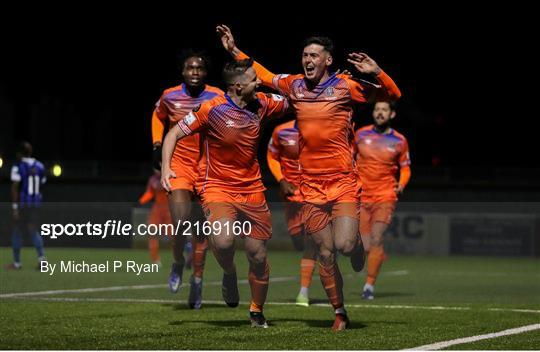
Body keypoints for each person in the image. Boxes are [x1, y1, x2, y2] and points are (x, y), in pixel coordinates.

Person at [217, 24, 401, 330]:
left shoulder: (345, 86)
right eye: (304, 55)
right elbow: (262, 74)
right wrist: (235, 50)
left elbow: (393, 94)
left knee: (343, 245)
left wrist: (377, 71)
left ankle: (356, 247)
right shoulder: (295, 85)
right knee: (325, 253)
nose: (308, 59)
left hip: (342, 181)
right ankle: (339, 312)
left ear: (328, 60)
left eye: (314, 54)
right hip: (310, 186)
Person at [161, 59, 289, 328]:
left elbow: (297, 98)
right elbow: (172, 134)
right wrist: (165, 169)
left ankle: (256, 311)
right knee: (223, 242)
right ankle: (229, 273)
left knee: (258, 255)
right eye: (255, 79)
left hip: (252, 188)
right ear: (239, 86)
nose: (260, 82)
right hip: (216, 187)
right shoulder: (211, 109)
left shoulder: (264, 104)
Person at [151, 50, 223, 309]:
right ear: (183, 72)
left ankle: (198, 281)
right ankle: (178, 262)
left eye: (200, 68)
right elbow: (157, 117)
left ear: (206, 72)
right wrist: (157, 145)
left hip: (207, 170)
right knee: (180, 222)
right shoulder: (170, 96)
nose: (195, 72)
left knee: (202, 233)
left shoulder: (217, 96)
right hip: (179, 166)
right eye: (190, 68)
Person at [354, 101, 411, 300]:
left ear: (392, 114)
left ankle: (369, 286)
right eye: (377, 109)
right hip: (361, 196)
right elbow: (348, 159)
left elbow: (405, 167)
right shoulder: (360, 134)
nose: (379, 112)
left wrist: (401, 184)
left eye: (384, 110)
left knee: (376, 238)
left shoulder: (399, 140)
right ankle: (376, 256)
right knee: (366, 244)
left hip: (385, 196)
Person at [267, 120, 317, 306]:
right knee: (299, 242)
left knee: (312, 241)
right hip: (291, 195)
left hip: (315, 192)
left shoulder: (320, 128)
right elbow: (272, 156)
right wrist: (281, 180)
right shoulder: (281, 131)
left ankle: (303, 292)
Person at [6, 142, 47, 270]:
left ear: (19, 153)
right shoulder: (40, 166)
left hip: (24, 204)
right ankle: (42, 260)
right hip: (35, 203)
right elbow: (42, 183)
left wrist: (14, 207)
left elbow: (14, 188)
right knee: (33, 230)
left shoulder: (18, 166)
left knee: (17, 231)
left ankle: (17, 263)